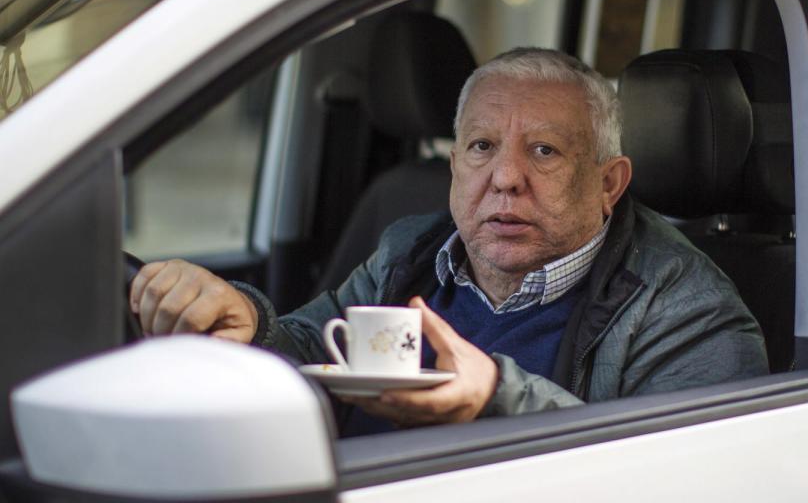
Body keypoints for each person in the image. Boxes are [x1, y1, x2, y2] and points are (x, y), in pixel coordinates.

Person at [130, 47, 768, 429]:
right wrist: (249, 322)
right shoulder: (411, 250)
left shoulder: (691, 313)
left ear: (608, 183)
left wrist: (493, 398)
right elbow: (313, 344)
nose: (506, 179)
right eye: (482, 147)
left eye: (543, 151)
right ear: (455, 162)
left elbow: (667, 477)